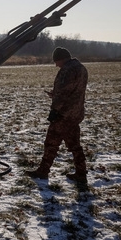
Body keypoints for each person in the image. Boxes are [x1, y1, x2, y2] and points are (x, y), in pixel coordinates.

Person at [25, 47, 89, 191]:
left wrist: (55, 109)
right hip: (75, 113)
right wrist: (56, 94)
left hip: (63, 115)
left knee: (51, 143)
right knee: (75, 145)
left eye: (56, 61)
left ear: (62, 58)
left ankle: (43, 171)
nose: (56, 65)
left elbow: (63, 93)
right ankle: (81, 173)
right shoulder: (81, 68)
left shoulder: (67, 70)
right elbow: (73, 91)